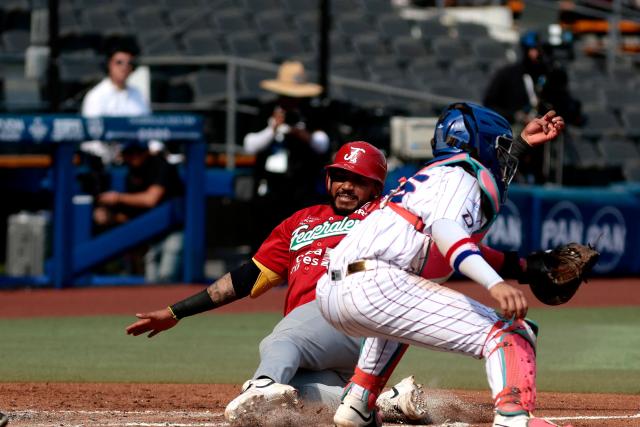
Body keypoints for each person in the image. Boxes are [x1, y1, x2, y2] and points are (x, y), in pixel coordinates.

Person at [125, 141, 430, 424]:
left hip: (356, 318)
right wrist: (176, 312)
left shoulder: (385, 216)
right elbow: (247, 278)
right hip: (321, 340)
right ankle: (385, 403)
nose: (346, 186)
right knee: (294, 393)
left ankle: (262, 383)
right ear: (328, 180)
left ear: (376, 188)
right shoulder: (301, 222)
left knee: (280, 343)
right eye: (339, 176)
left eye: (358, 180)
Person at [316, 103, 567, 427]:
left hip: (336, 288)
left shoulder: (434, 177)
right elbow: (448, 233)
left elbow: (444, 245)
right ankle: (513, 419)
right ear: (479, 144)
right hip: (373, 284)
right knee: (512, 333)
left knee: (402, 308)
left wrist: (521, 267)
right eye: (500, 147)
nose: (503, 157)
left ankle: (357, 402)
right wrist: (495, 283)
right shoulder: (460, 178)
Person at [243, 60, 331, 248]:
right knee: (265, 241)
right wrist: (272, 129)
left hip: (300, 187)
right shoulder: (267, 111)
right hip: (269, 188)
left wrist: (299, 132)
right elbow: (250, 145)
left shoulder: (311, 113)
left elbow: (322, 144)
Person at [94, 140, 184, 282]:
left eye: (137, 153)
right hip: (153, 233)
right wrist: (112, 217)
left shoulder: (160, 165)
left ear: (145, 152)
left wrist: (117, 198)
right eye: (129, 153)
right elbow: (132, 213)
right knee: (152, 281)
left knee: (167, 276)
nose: (133, 157)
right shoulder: (131, 174)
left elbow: (150, 199)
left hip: (174, 228)